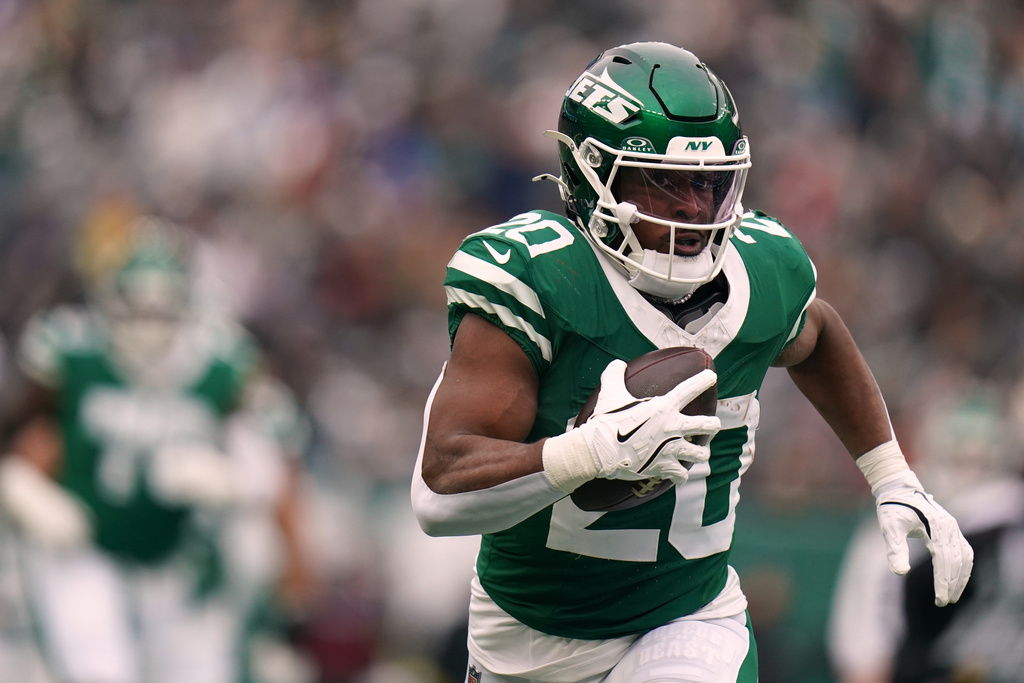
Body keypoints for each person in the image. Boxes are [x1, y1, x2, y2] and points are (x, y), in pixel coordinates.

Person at [410, 41, 974, 682]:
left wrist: (892, 476)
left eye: (710, 184)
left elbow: (816, 334)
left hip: (687, 620)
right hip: (526, 639)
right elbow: (438, 498)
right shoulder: (542, 279)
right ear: (590, 174)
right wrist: (585, 454)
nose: (694, 209)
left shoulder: (764, 272)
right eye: (663, 182)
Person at [0, 216, 314, 683]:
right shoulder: (73, 350)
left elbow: (282, 444)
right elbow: (17, 433)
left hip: (178, 558)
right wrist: (20, 486)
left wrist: (232, 480)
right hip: (86, 547)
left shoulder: (220, 363)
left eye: (161, 312)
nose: (146, 327)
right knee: (98, 670)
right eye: (134, 310)